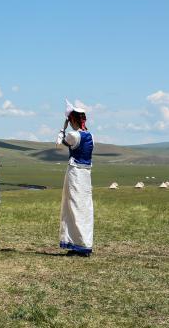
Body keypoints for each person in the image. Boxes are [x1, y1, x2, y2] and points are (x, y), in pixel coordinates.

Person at [57, 99, 93, 256]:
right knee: (84, 208)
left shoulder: (73, 135)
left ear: (72, 120)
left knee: (72, 207)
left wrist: (62, 129)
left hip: (75, 173)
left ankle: (77, 243)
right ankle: (84, 242)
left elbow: (60, 143)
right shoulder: (90, 135)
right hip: (86, 175)